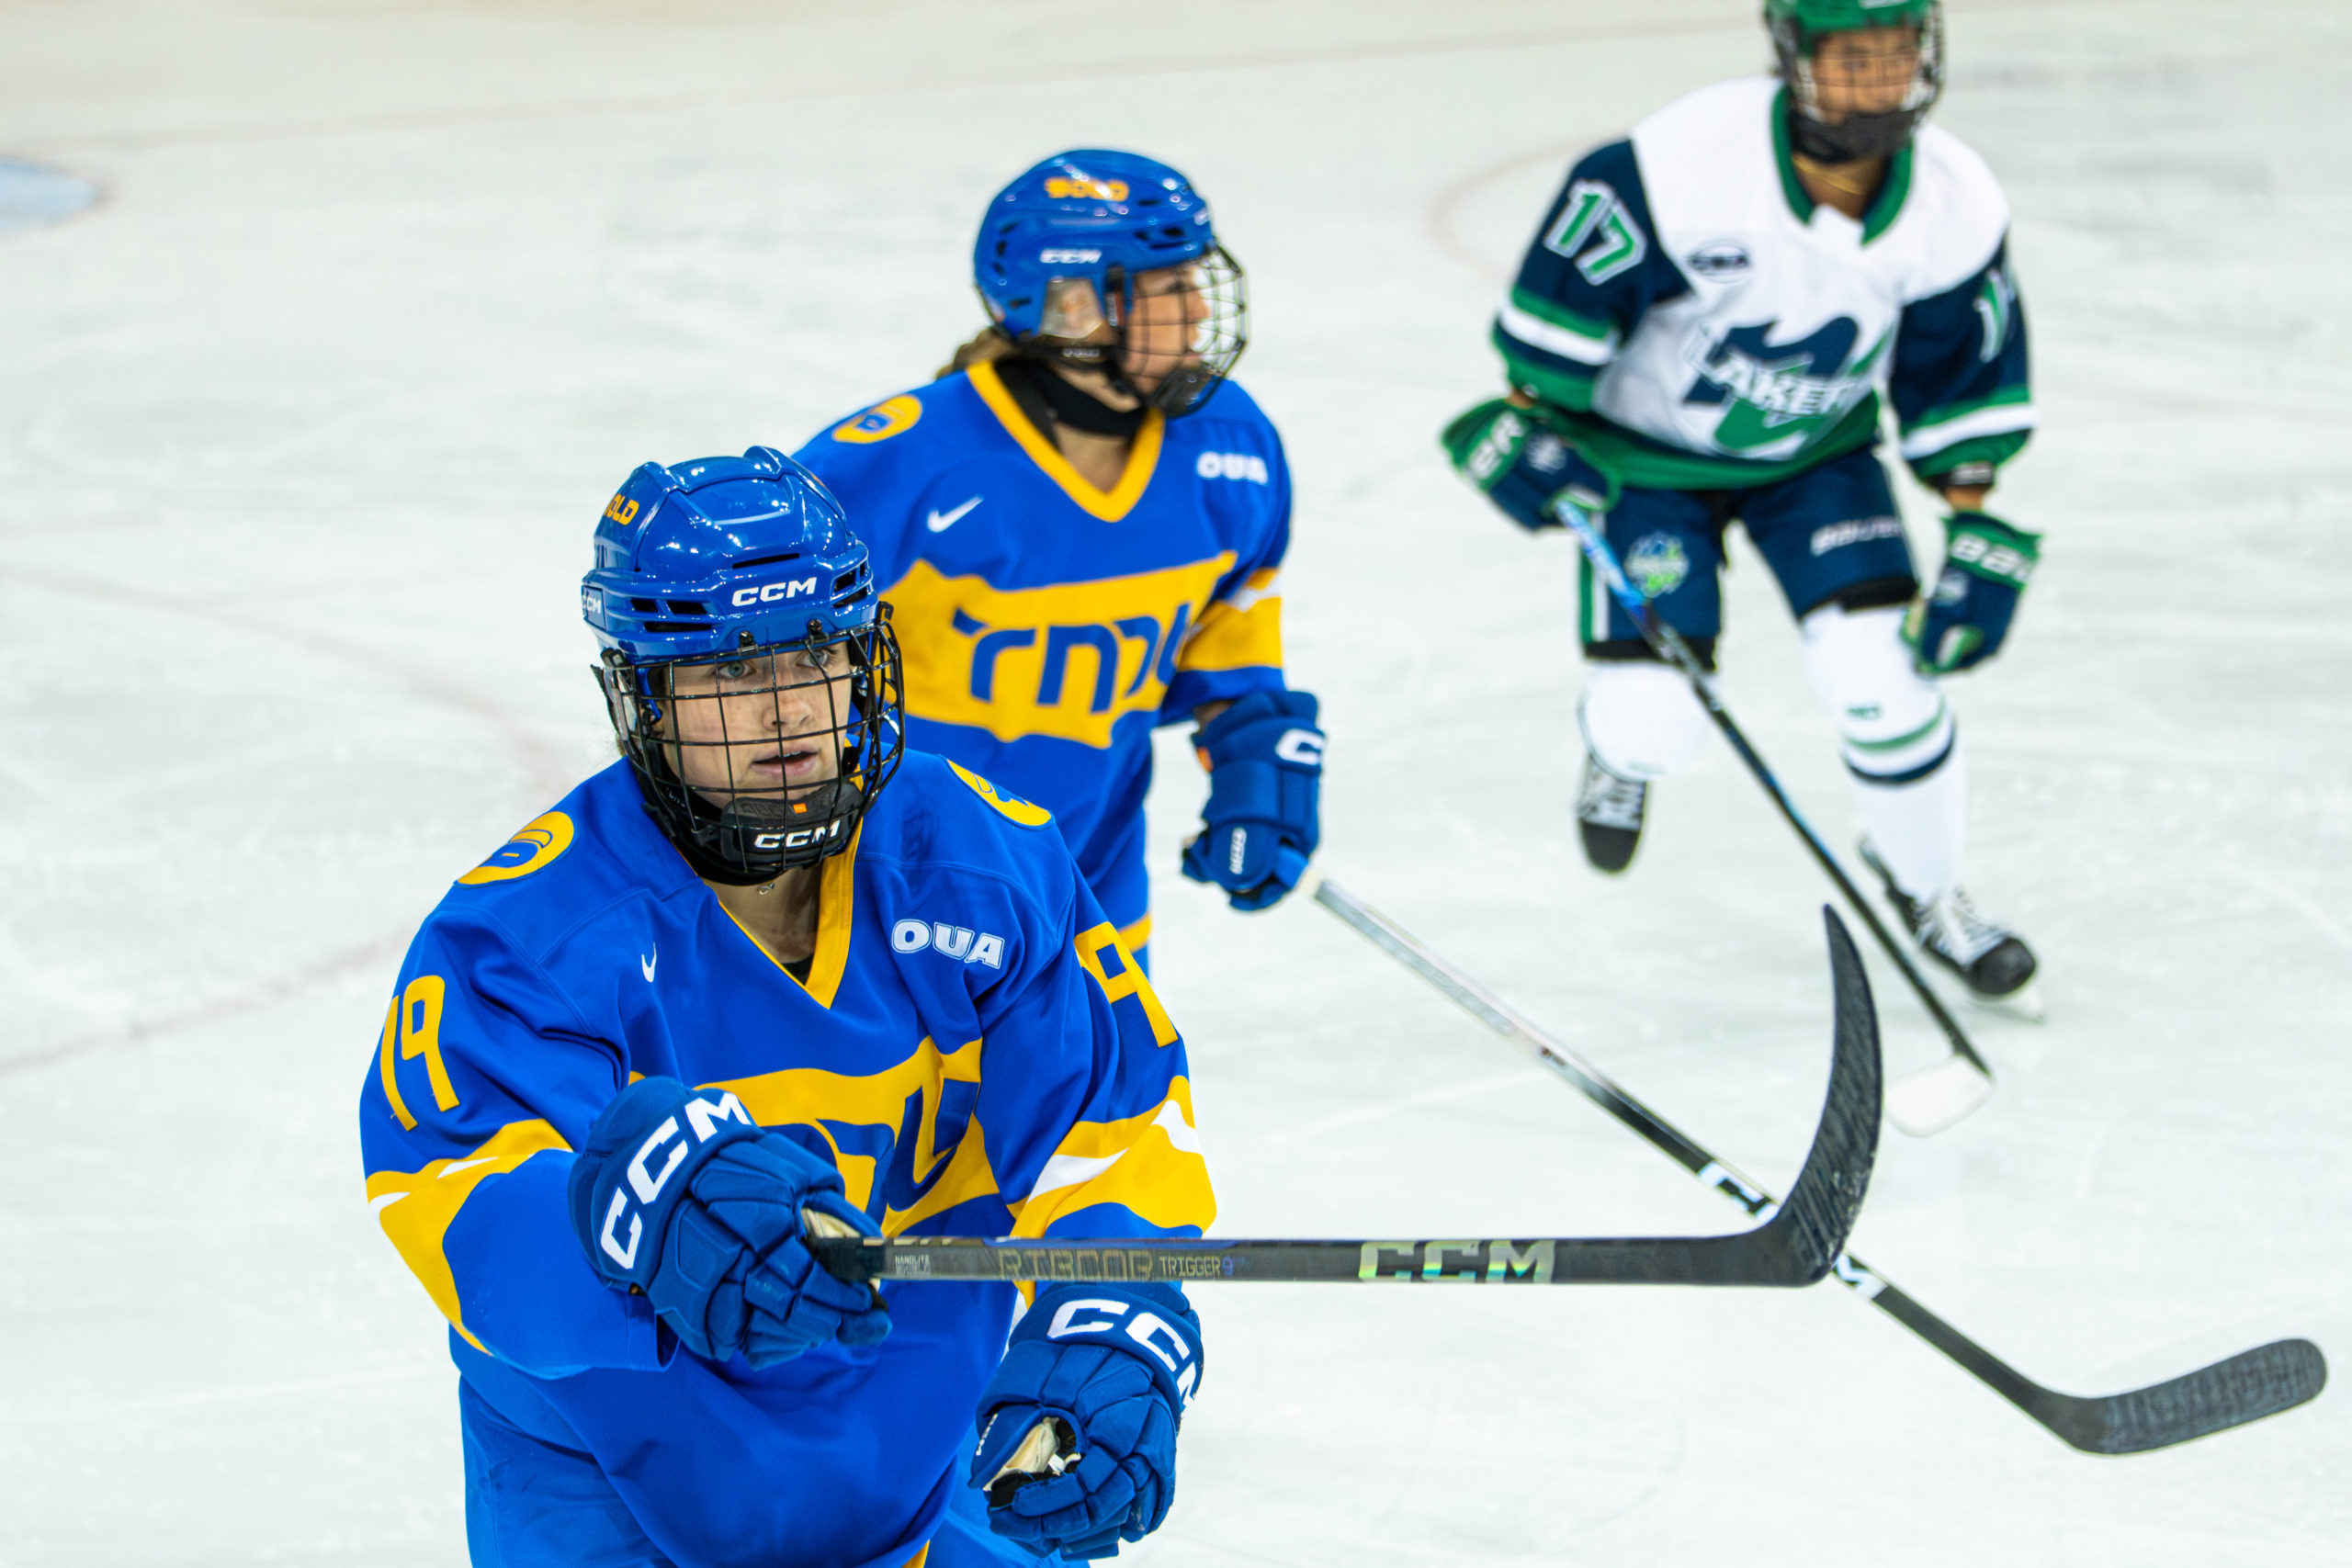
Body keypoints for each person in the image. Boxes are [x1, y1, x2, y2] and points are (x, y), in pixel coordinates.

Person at [358, 448, 1215, 1568]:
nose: (789, 713)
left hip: (923, 1450)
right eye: (727, 672)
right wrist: (642, 1227)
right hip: (615, 1476)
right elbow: (455, 1208)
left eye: (818, 654)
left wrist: (1109, 1321)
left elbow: (1112, 1129)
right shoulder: (527, 939)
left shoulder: (983, 866)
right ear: (645, 695)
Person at [1442, 0, 2041, 1007]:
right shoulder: (1675, 166)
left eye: (1897, 55)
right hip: (1644, 461)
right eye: (1852, 58)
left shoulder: (1953, 200)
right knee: (1657, 718)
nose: (1879, 81)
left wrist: (1974, 525)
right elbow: (1548, 346)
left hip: (1818, 462)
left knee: (1882, 681)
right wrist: (1522, 431)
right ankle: (1615, 749)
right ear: (1793, 59)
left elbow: (1956, 378)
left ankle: (1929, 887)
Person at [792, 149, 1324, 971]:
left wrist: (1254, 757)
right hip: (887, 898)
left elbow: (1230, 618)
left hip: (1088, 892)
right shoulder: (897, 467)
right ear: (1073, 306)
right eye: (1168, 288)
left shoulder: (1231, 448)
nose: (1197, 313)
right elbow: (753, 655)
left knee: (1108, 1102)